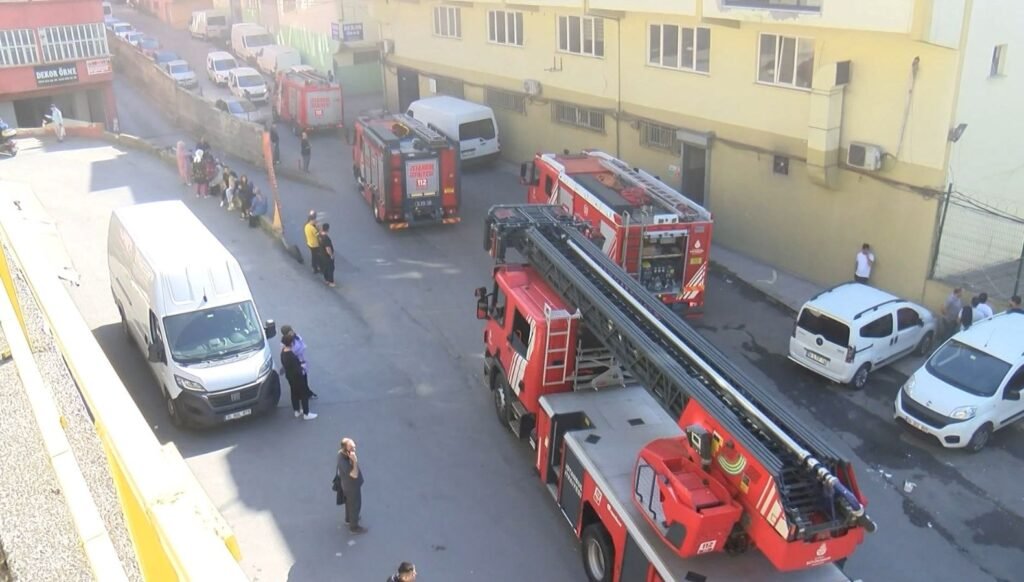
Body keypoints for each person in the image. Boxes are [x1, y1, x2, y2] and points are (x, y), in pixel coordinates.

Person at [281, 333, 316, 420]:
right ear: (292, 343)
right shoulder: (291, 355)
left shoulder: (283, 352)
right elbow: (297, 369)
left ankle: (296, 410)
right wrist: (302, 367)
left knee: (293, 392)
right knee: (303, 393)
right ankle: (306, 413)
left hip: (289, 376)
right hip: (297, 377)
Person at [280, 326, 317, 399]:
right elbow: (290, 352)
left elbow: (303, 345)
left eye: (291, 330)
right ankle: (302, 396)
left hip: (302, 360)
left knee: (305, 377)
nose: (292, 332)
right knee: (299, 381)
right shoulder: (285, 343)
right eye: (289, 332)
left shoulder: (297, 337)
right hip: (296, 364)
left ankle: (307, 391)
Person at [336, 438, 365, 533]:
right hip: (351, 487)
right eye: (352, 448)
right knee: (355, 505)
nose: (354, 450)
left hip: (347, 486)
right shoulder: (343, 461)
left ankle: (349, 519)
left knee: (349, 503)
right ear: (345, 450)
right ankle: (354, 527)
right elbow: (354, 474)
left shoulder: (343, 454)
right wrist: (355, 461)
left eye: (354, 446)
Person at [319, 222, 336, 287]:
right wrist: (331, 255)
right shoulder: (326, 239)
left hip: (322, 254)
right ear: (327, 229)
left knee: (325, 268)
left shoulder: (319, 236)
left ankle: (326, 280)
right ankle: (331, 282)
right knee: (331, 268)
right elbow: (328, 248)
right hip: (327, 256)